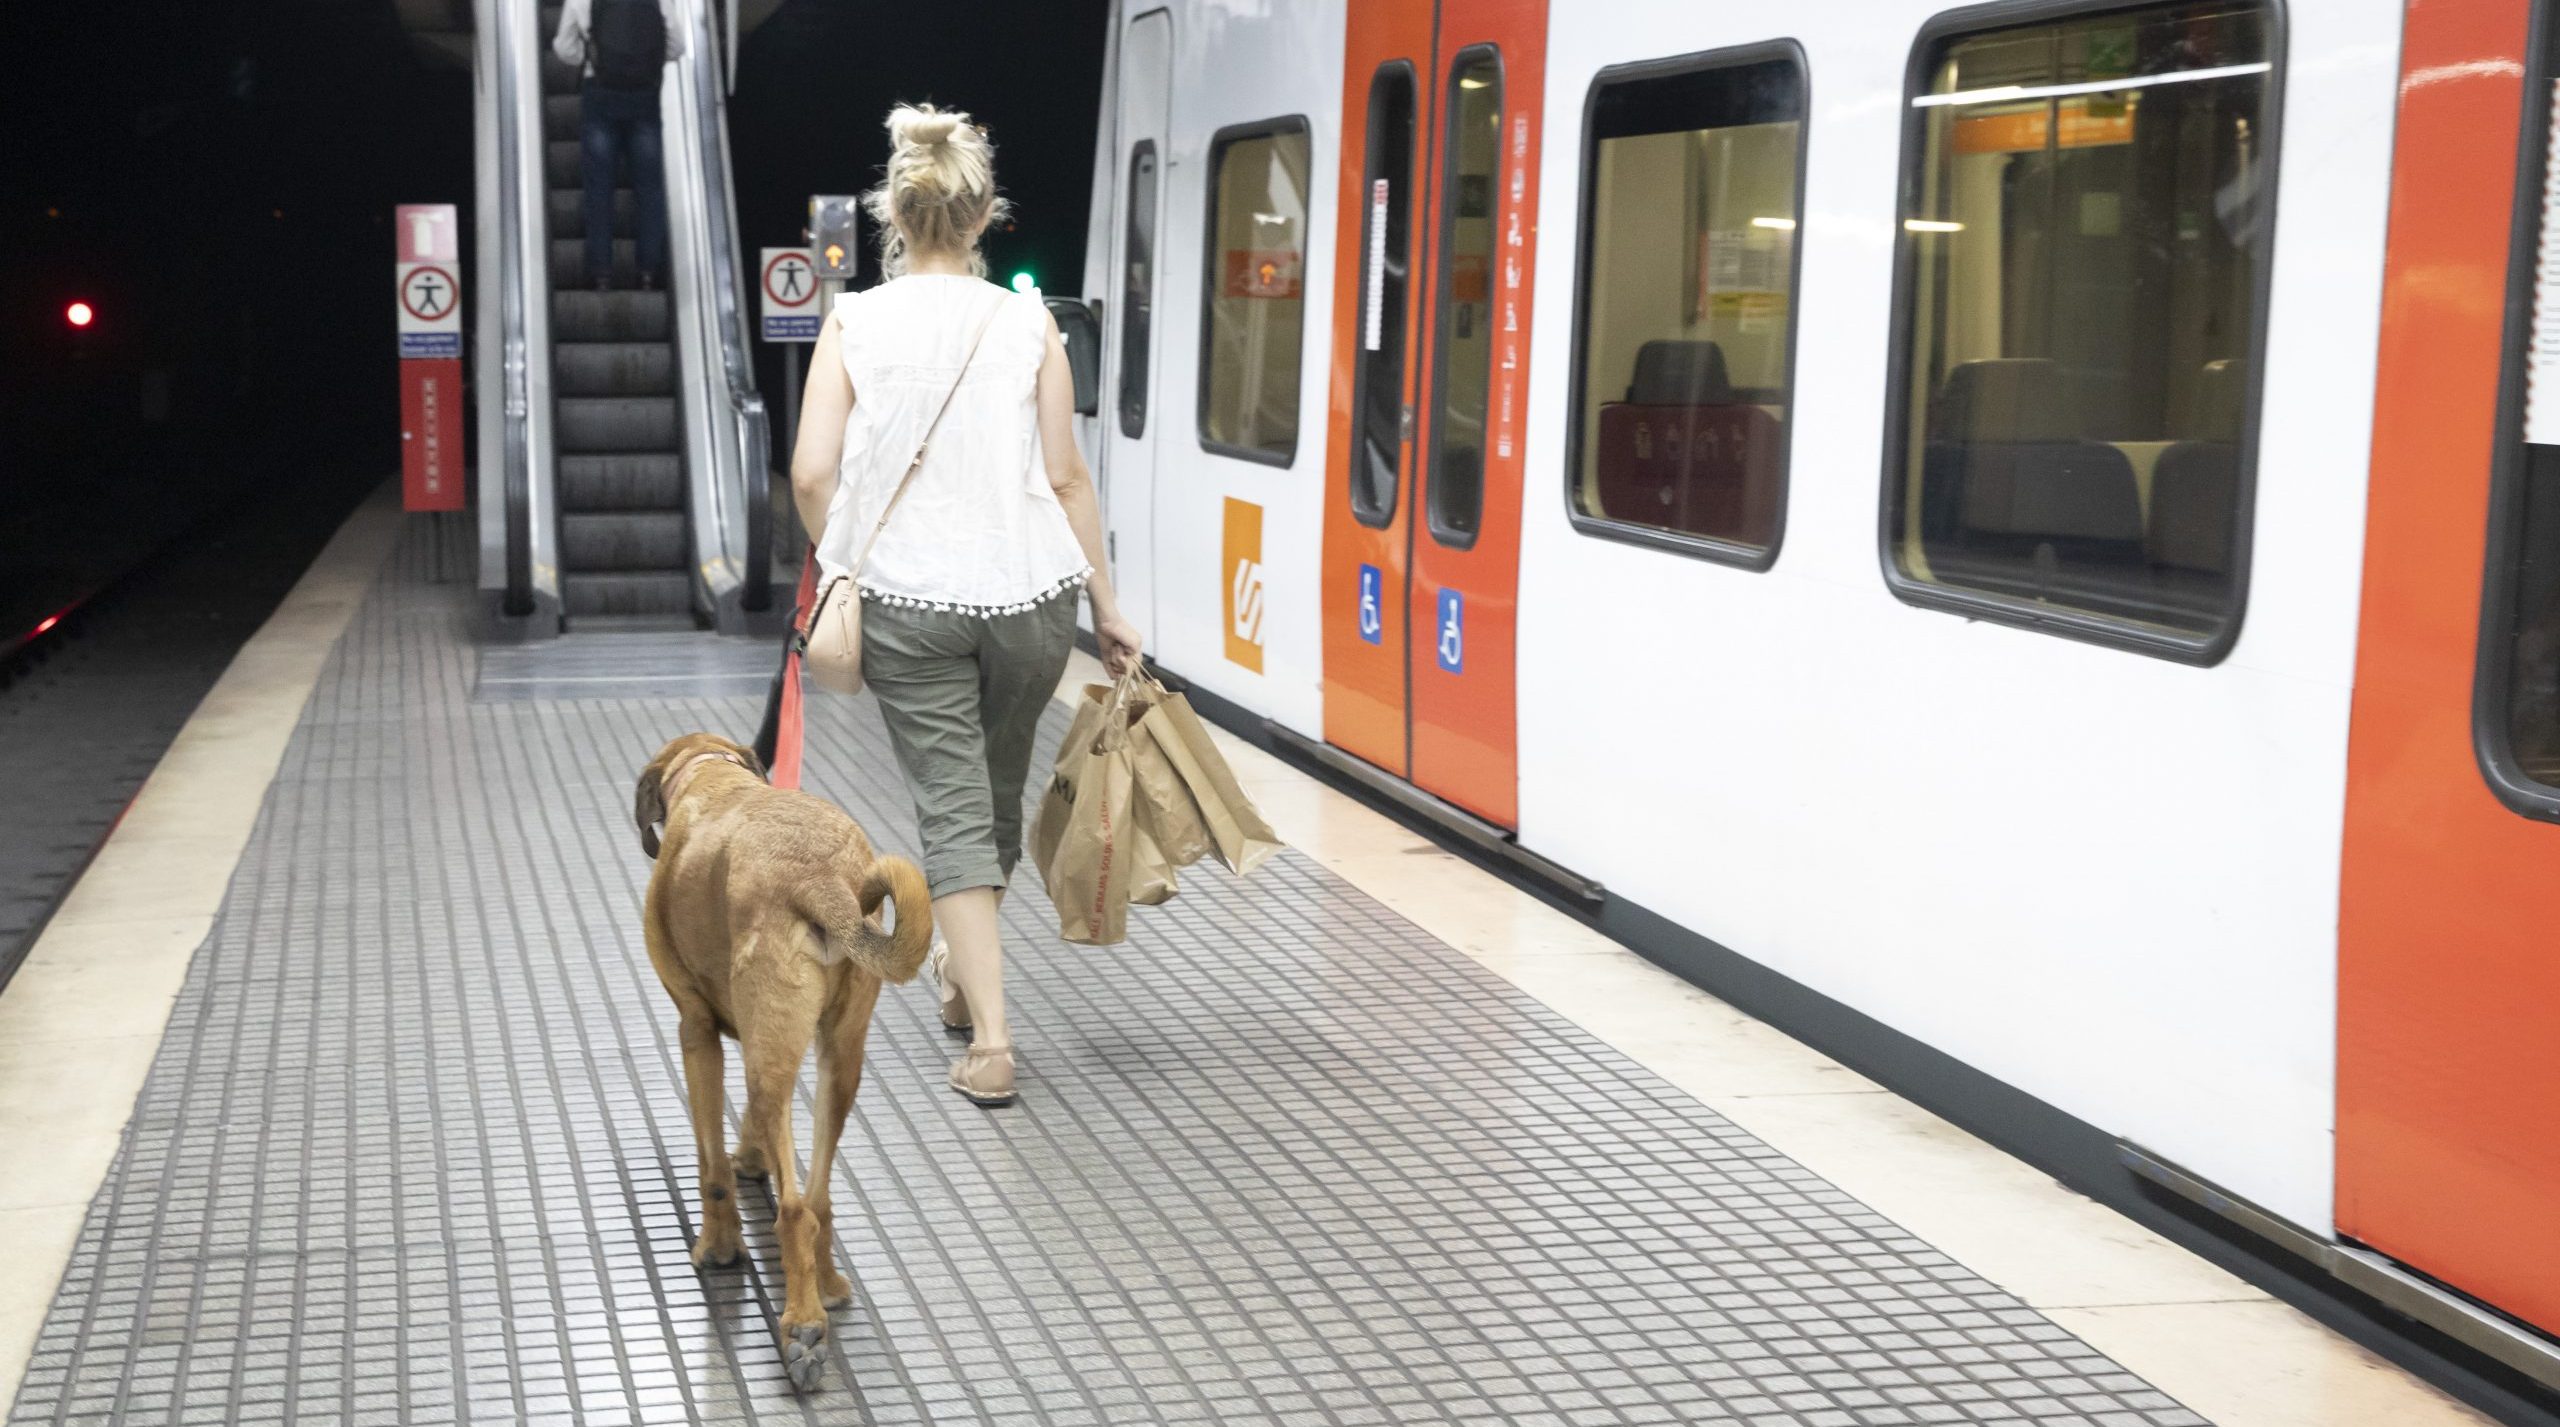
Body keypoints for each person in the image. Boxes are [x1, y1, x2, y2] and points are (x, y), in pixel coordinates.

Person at [788, 104, 1143, 1108]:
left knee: (953, 809)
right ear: (983, 216)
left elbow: (812, 471)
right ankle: (959, 967)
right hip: (1031, 601)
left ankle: (992, 1040)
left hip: (909, 604)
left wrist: (843, 559)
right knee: (990, 799)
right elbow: (1067, 478)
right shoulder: (1030, 323)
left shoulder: (855, 322)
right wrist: (1107, 606)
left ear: (894, 216)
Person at [552, 0, 681, 291]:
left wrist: (590, 57)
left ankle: (601, 274)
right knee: (649, 189)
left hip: (600, 95)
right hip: (645, 98)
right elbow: (677, 46)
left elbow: (563, 47)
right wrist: (643, 63)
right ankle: (648, 273)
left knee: (599, 188)